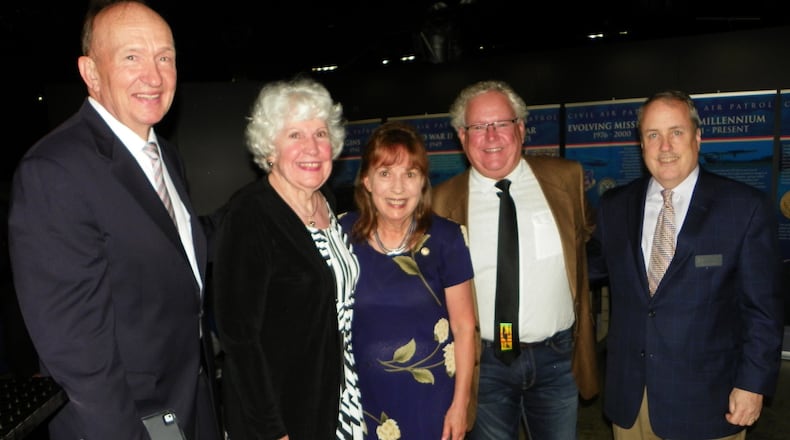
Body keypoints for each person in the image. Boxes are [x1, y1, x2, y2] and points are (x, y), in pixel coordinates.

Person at [7, 1, 220, 439]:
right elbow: (80, 359)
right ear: (90, 72)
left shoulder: (164, 156)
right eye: (131, 57)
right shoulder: (55, 170)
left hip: (186, 406)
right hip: (131, 422)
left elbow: (169, 260)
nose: (154, 75)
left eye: (165, 57)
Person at [589, 90, 784, 439]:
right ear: (641, 143)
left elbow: (763, 310)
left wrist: (752, 384)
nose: (665, 146)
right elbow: (588, 268)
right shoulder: (616, 206)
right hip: (632, 401)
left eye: (675, 132)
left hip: (709, 402)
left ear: (697, 137)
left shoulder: (744, 208)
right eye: (653, 135)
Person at [432, 79, 600, 439]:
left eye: (502, 124)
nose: (491, 136)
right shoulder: (441, 203)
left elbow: (584, 233)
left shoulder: (566, 180)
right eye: (478, 127)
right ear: (462, 137)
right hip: (484, 364)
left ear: (521, 129)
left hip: (557, 358)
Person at [212, 77, 364, 440]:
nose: (312, 147)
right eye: (295, 135)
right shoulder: (250, 214)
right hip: (282, 413)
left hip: (337, 395)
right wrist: (272, 431)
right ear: (270, 149)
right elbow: (239, 338)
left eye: (321, 134)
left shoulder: (325, 200)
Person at [339, 121, 476, 440]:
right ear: (367, 180)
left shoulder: (447, 238)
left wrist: (460, 404)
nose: (398, 189)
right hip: (362, 400)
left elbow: (464, 327)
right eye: (385, 173)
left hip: (431, 400)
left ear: (423, 182)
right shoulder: (342, 235)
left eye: (410, 174)